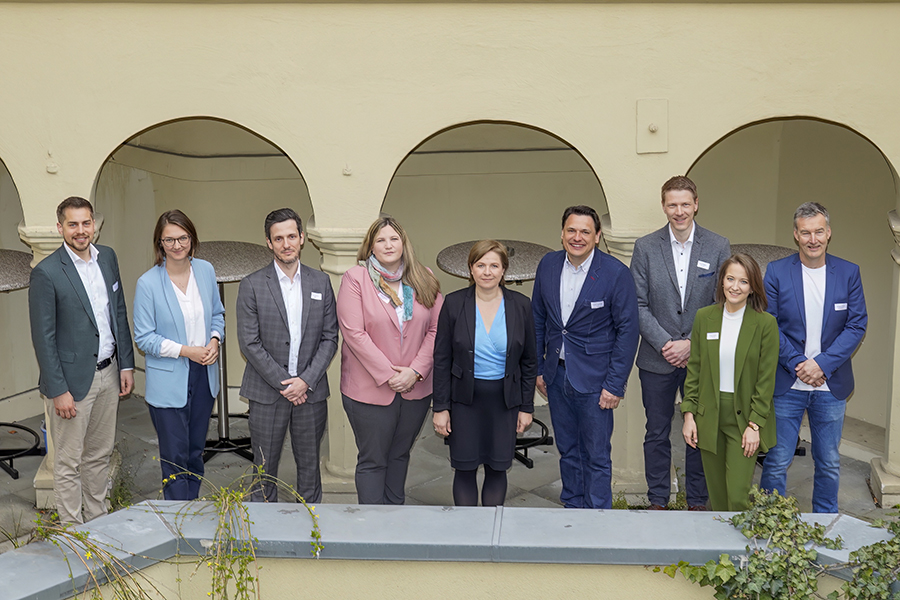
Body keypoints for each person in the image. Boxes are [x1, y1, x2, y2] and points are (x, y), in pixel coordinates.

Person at [28, 196, 135, 525]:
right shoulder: (47, 273)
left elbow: (118, 313)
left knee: (98, 455)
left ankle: (99, 522)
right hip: (72, 383)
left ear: (94, 225)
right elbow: (43, 337)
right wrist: (58, 389)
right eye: (72, 224)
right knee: (69, 461)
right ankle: (74, 533)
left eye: (86, 223)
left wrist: (127, 364)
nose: (80, 230)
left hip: (109, 373)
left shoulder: (108, 259)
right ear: (60, 228)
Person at [631, 175, 731, 511]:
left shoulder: (718, 246)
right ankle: (658, 499)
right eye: (672, 205)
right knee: (656, 432)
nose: (679, 211)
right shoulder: (645, 247)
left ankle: (698, 501)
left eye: (685, 204)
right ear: (663, 206)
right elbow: (637, 304)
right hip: (656, 359)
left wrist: (691, 344)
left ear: (696, 204)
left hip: (700, 359)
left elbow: (724, 302)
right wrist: (665, 344)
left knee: (700, 431)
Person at [760, 202, 867, 513]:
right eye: (805, 232)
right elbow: (769, 324)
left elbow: (857, 324)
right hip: (788, 384)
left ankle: (824, 521)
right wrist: (798, 364)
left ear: (829, 233)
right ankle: (772, 522)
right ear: (795, 235)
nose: (813, 239)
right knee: (777, 459)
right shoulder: (778, 272)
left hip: (830, 385)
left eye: (819, 231)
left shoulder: (848, 273)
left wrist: (821, 364)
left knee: (830, 461)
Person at [532, 205, 639, 509]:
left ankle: (597, 519)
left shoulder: (615, 273)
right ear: (562, 232)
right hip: (557, 375)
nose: (577, 237)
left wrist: (615, 385)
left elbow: (628, 331)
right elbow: (537, 318)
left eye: (585, 232)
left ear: (597, 236)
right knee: (567, 450)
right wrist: (540, 368)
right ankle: (573, 510)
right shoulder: (548, 265)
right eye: (571, 230)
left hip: (596, 380)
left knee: (596, 455)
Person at [337, 216, 443, 505]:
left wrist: (415, 372)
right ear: (371, 246)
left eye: (394, 238)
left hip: (415, 388)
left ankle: (395, 521)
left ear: (403, 243)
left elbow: (436, 329)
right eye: (381, 239)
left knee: (399, 455)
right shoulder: (355, 279)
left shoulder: (424, 276)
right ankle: (372, 531)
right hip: (369, 389)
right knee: (373, 460)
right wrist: (389, 374)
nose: (388, 244)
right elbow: (353, 333)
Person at [236, 208, 338, 504]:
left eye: (291, 236)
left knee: (310, 467)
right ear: (269, 243)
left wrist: (305, 381)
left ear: (302, 238)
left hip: (311, 393)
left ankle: (310, 533)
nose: (286, 244)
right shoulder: (252, 284)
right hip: (267, 393)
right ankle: (263, 533)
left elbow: (330, 338)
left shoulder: (320, 283)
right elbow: (250, 343)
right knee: (264, 469)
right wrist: (287, 384)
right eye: (278, 238)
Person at [433, 240, 537, 506]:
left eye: (494, 265)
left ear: (504, 271)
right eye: (481, 265)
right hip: (464, 402)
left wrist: (526, 407)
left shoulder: (521, 306)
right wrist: (441, 407)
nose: (487, 272)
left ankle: (491, 533)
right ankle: (468, 538)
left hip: (504, 403)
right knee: (465, 470)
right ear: (471, 269)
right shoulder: (454, 304)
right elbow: (442, 359)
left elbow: (529, 361)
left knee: (497, 468)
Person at [133, 210, 225, 501]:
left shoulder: (206, 271)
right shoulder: (148, 283)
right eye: (169, 239)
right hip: (169, 378)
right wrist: (188, 352)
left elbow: (217, 314)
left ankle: (192, 506)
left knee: (195, 450)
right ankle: (179, 517)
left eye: (182, 237)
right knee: (174, 456)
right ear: (159, 244)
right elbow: (144, 338)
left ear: (192, 239)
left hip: (204, 374)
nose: (177, 245)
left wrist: (214, 340)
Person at [680, 253, 778, 511]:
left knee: (737, 496)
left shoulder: (765, 324)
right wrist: (689, 415)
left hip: (744, 419)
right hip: (708, 416)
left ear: (753, 286)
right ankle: (723, 549)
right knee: (718, 494)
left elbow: (766, 380)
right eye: (730, 278)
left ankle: (741, 548)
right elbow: (695, 371)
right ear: (721, 281)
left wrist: (755, 424)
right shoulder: (704, 317)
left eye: (744, 281)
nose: (735, 286)